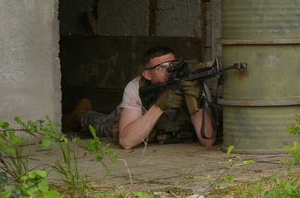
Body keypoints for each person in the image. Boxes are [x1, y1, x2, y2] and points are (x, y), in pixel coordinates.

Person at [68, 46, 214, 149]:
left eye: (173, 65)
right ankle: (80, 114)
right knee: (100, 125)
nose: (170, 72)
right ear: (147, 75)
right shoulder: (136, 87)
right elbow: (126, 141)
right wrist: (159, 107)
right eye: (161, 68)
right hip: (126, 120)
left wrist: (195, 100)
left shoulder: (192, 85)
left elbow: (208, 140)